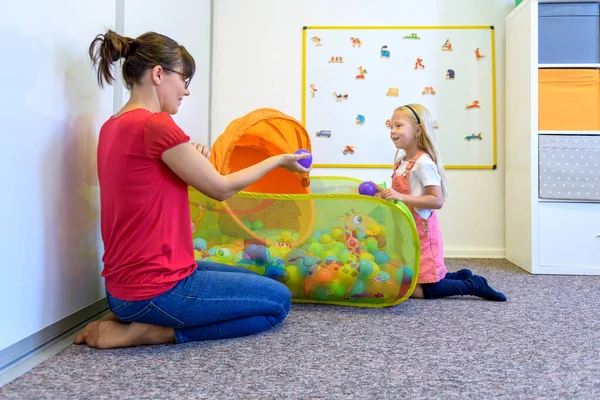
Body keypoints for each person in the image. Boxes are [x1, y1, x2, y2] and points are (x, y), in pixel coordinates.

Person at [74, 30, 311, 349]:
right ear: (158, 74)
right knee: (278, 301)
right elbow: (221, 188)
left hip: (123, 291)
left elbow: (146, 185)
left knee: (256, 283)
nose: (185, 92)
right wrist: (279, 159)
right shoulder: (155, 125)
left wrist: (190, 158)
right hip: (156, 290)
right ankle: (153, 332)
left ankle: (125, 317)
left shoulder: (111, 126)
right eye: (184, 80)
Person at [374, 104, 506, 302]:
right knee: (411, 279)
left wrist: (401, 197)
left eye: (398, 125)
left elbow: (437, 200)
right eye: (391, 126)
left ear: (418, 130)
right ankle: (457, 276)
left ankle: (473, 285)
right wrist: (381, 193)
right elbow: (400, 196)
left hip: (422, 233)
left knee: (414, 290)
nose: (392, 131)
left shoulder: (423, 163)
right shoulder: (401, 162)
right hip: (406, 232)